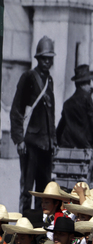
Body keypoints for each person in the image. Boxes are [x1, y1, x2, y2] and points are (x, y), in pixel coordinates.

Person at [10, 36, 57, 213]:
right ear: (38, 59)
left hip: (46, 145)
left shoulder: (49, 81)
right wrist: (19, 140)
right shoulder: (28, 77)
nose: (47, 62)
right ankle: (23, 223)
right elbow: (16, 110)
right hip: (30, 144)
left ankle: (37, 228)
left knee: (43, 191)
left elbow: (51, 114)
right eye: (44, 58)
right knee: (27, 189)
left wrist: (54, 141)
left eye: (50, 58)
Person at [56, 64, 93, 149]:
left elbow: (60, 128)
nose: (90, 86)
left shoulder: (67, 104)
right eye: (88, 82)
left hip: (68, 148)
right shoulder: (87, 98)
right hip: (85, 148)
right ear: (82, 84)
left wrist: (57, 142)